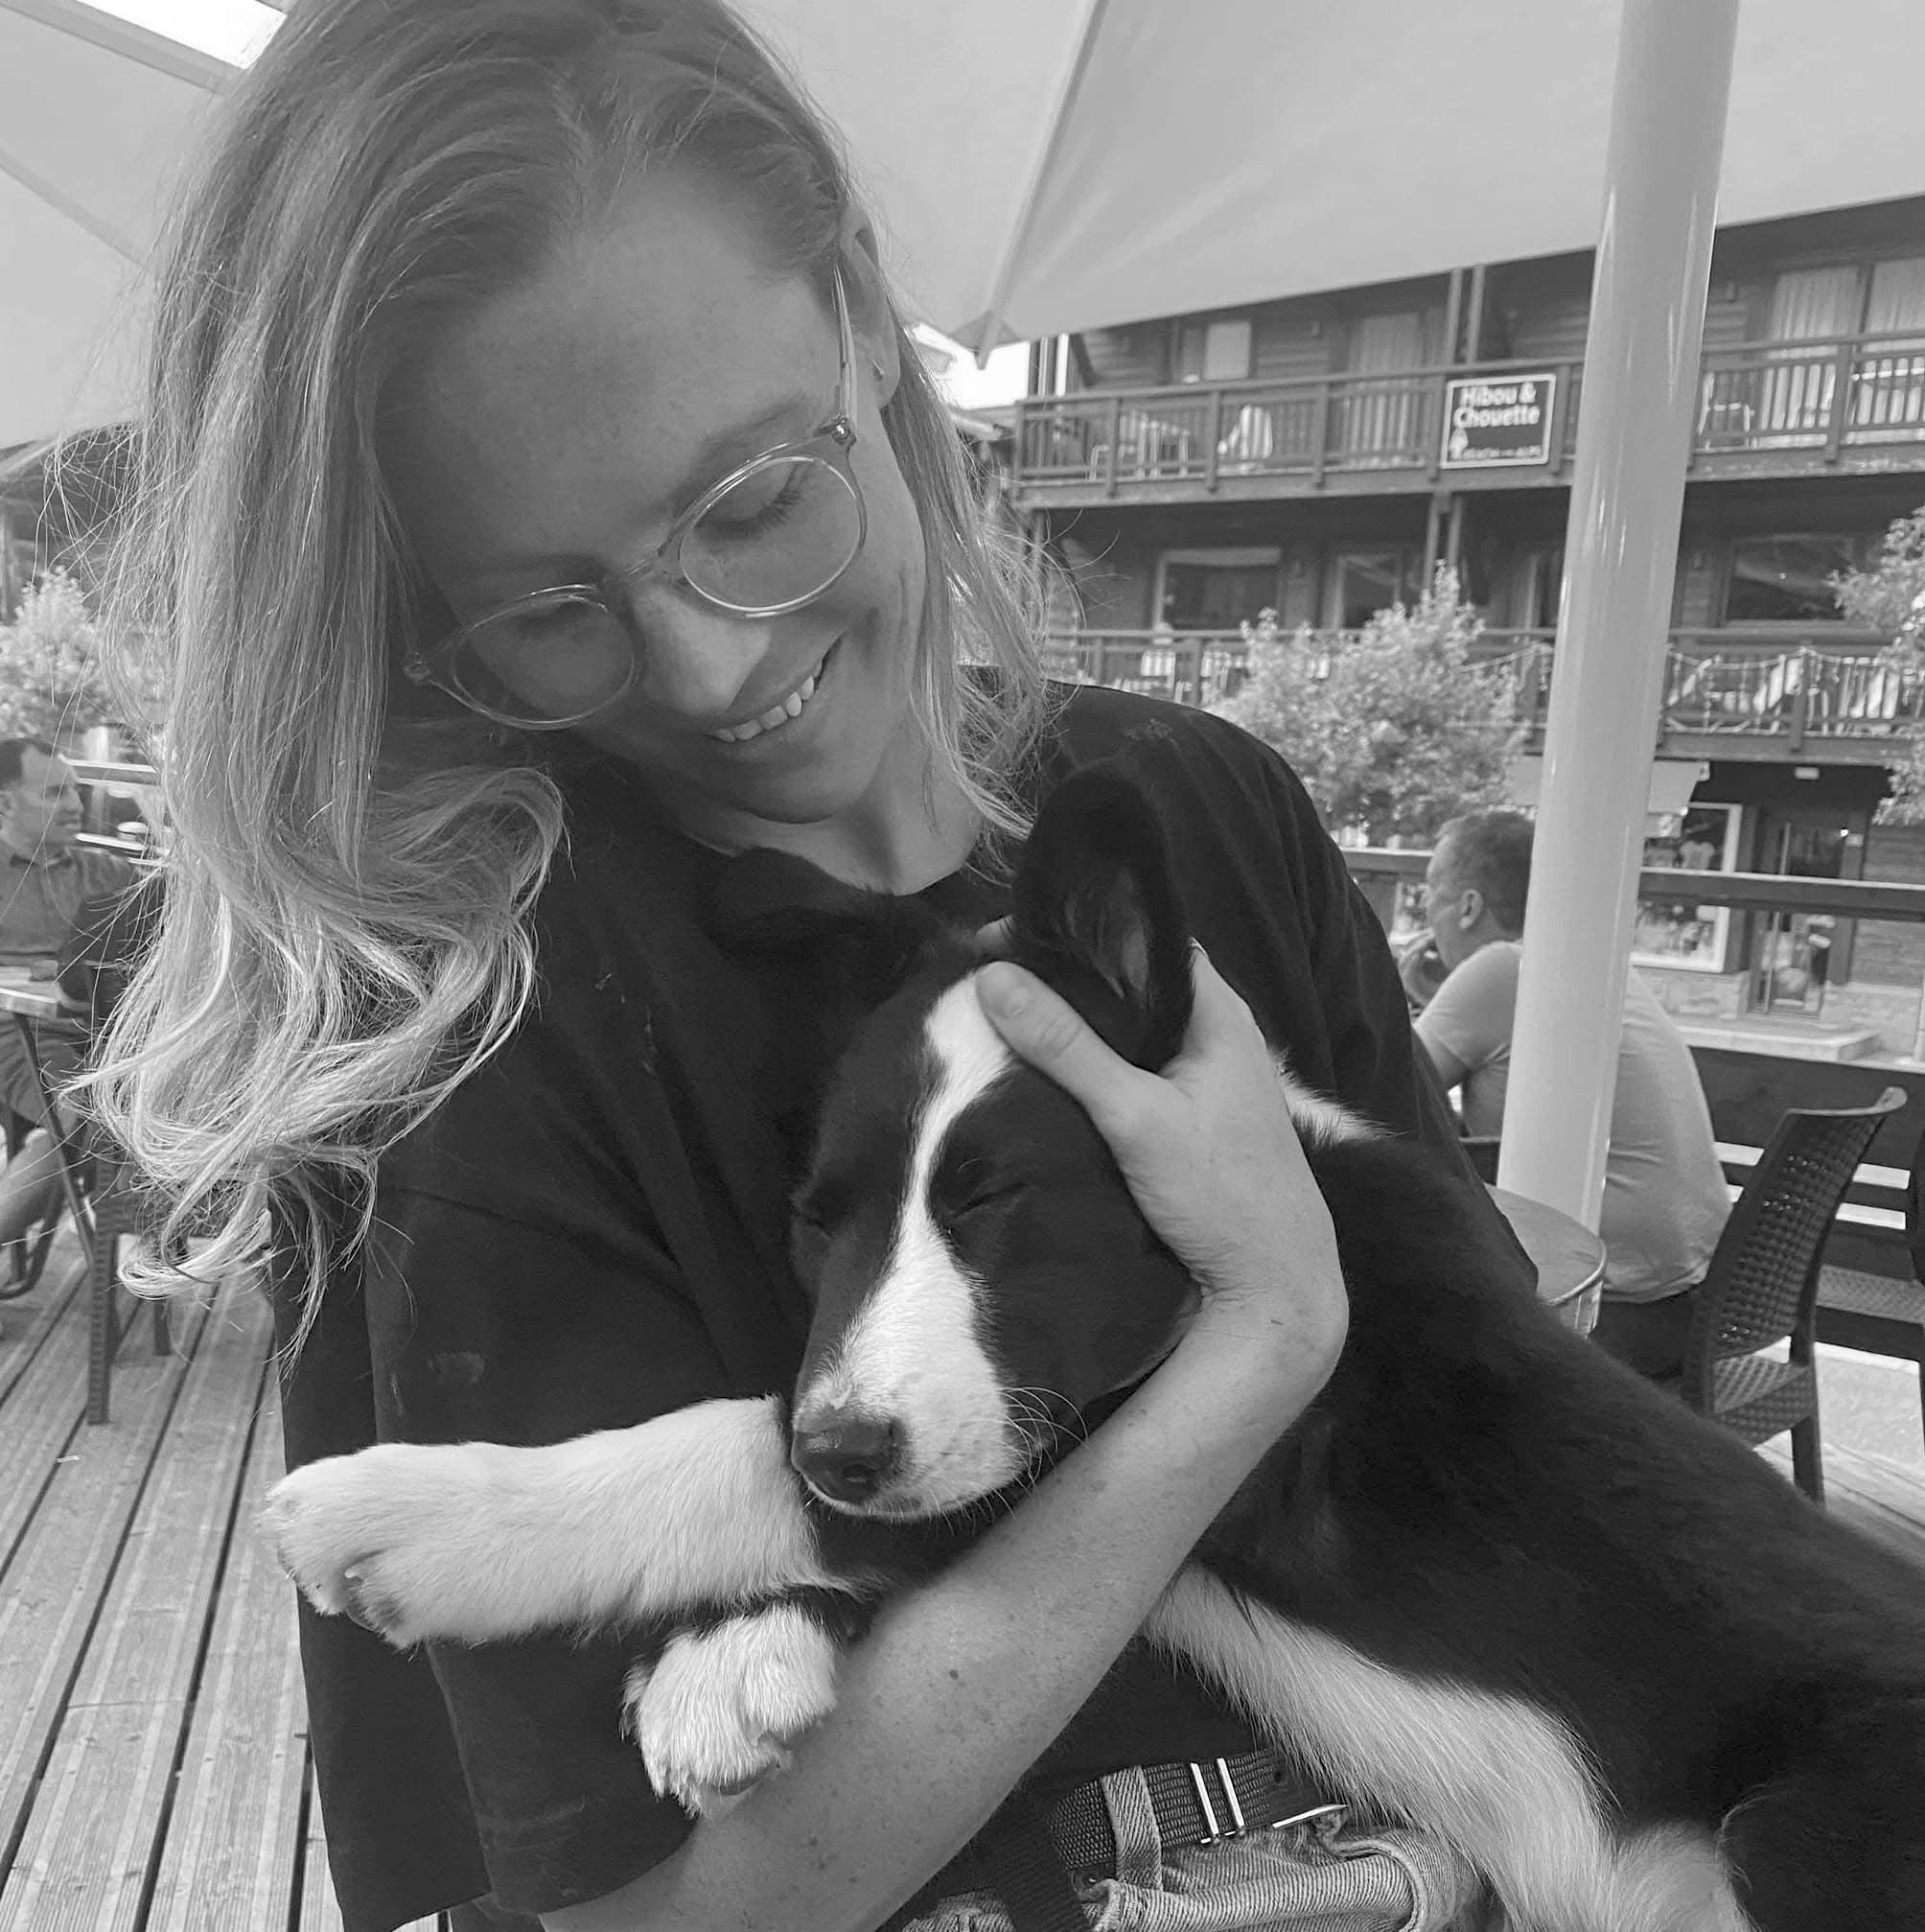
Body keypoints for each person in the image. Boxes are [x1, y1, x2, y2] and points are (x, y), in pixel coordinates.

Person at [90, 5, 1514, 1928]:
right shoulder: (466, 1024)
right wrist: (1259, 1330)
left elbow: (1504, 1451)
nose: (707, 670)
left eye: (753, 500)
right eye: (543, 610)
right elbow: (629, 1905)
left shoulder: (1200, 816)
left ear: (864, 319)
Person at [1415, 811, 1731, 1379]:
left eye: (1429, 896)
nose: (1426, 917)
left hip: (1612, 1317)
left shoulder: (1501, 968)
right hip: (1704, 1304)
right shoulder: (1590, 969)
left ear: (1467, 906)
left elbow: (1384, 1089)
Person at [0, 737, 139, 1245]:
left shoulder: (112, 873)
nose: (77, 805)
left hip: (111, 1033)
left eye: (77, 792)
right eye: (56, 793)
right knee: (85, 1105)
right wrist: (40, 972)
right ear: (5, 802)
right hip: (18, 1033)